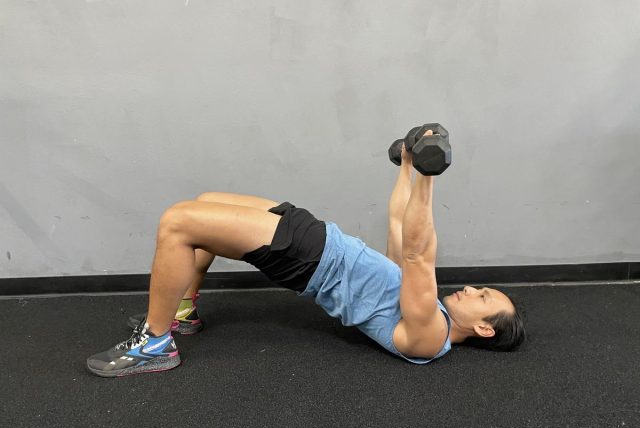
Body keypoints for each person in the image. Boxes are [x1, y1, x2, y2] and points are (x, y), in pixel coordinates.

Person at [86, 131, 526, 377]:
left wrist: (429, 179)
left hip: (311, 258)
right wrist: (409, 166)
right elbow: (398, 227)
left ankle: (156, 343)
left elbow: (417, 255)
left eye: (483, 297)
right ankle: (181, 314)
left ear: (484, 330)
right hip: (316, 240)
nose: (471, 288)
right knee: (204, 202)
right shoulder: (424, 307)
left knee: (178, 222)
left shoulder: (430, 335)